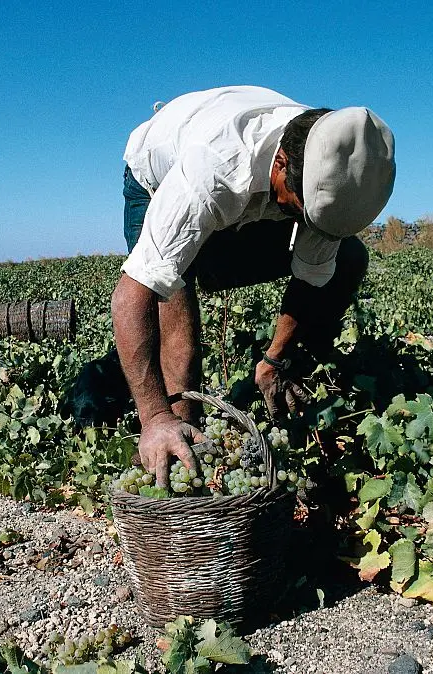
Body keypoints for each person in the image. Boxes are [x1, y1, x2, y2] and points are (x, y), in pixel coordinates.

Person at [110, 85, 395, 487]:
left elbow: (312, 276)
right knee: (174, 298)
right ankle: (181, 443)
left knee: (349, 258)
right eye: (302, 212)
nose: (310, 225)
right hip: (155, 176)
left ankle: (291, 378)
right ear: (280, 163)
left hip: (251, 191)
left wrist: (276, 358)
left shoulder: (334, 174)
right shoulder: (213, 168)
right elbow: (132, 293)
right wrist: (156, 416)